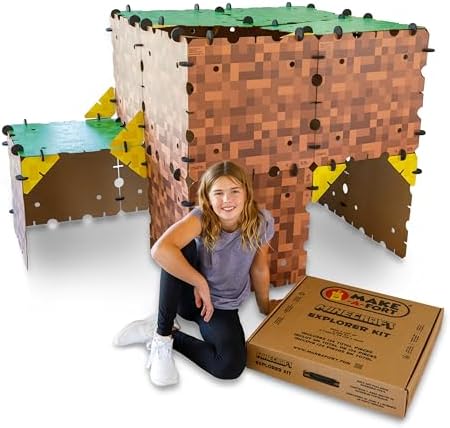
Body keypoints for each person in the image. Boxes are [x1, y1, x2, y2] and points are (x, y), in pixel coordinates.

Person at [113, 160, 278, 386]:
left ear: (247, 193)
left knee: (230, 366)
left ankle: (164, 332)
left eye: (234, 191)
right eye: (218, 193)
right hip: (190, 298)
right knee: (179, 248)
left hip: (221, 307)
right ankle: (162, 337)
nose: (227, 199)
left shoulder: (261, 222)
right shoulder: (201, 218)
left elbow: (259, 267)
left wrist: (264, 305)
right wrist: (200, 283)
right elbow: (159, 250)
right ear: (207, 198)